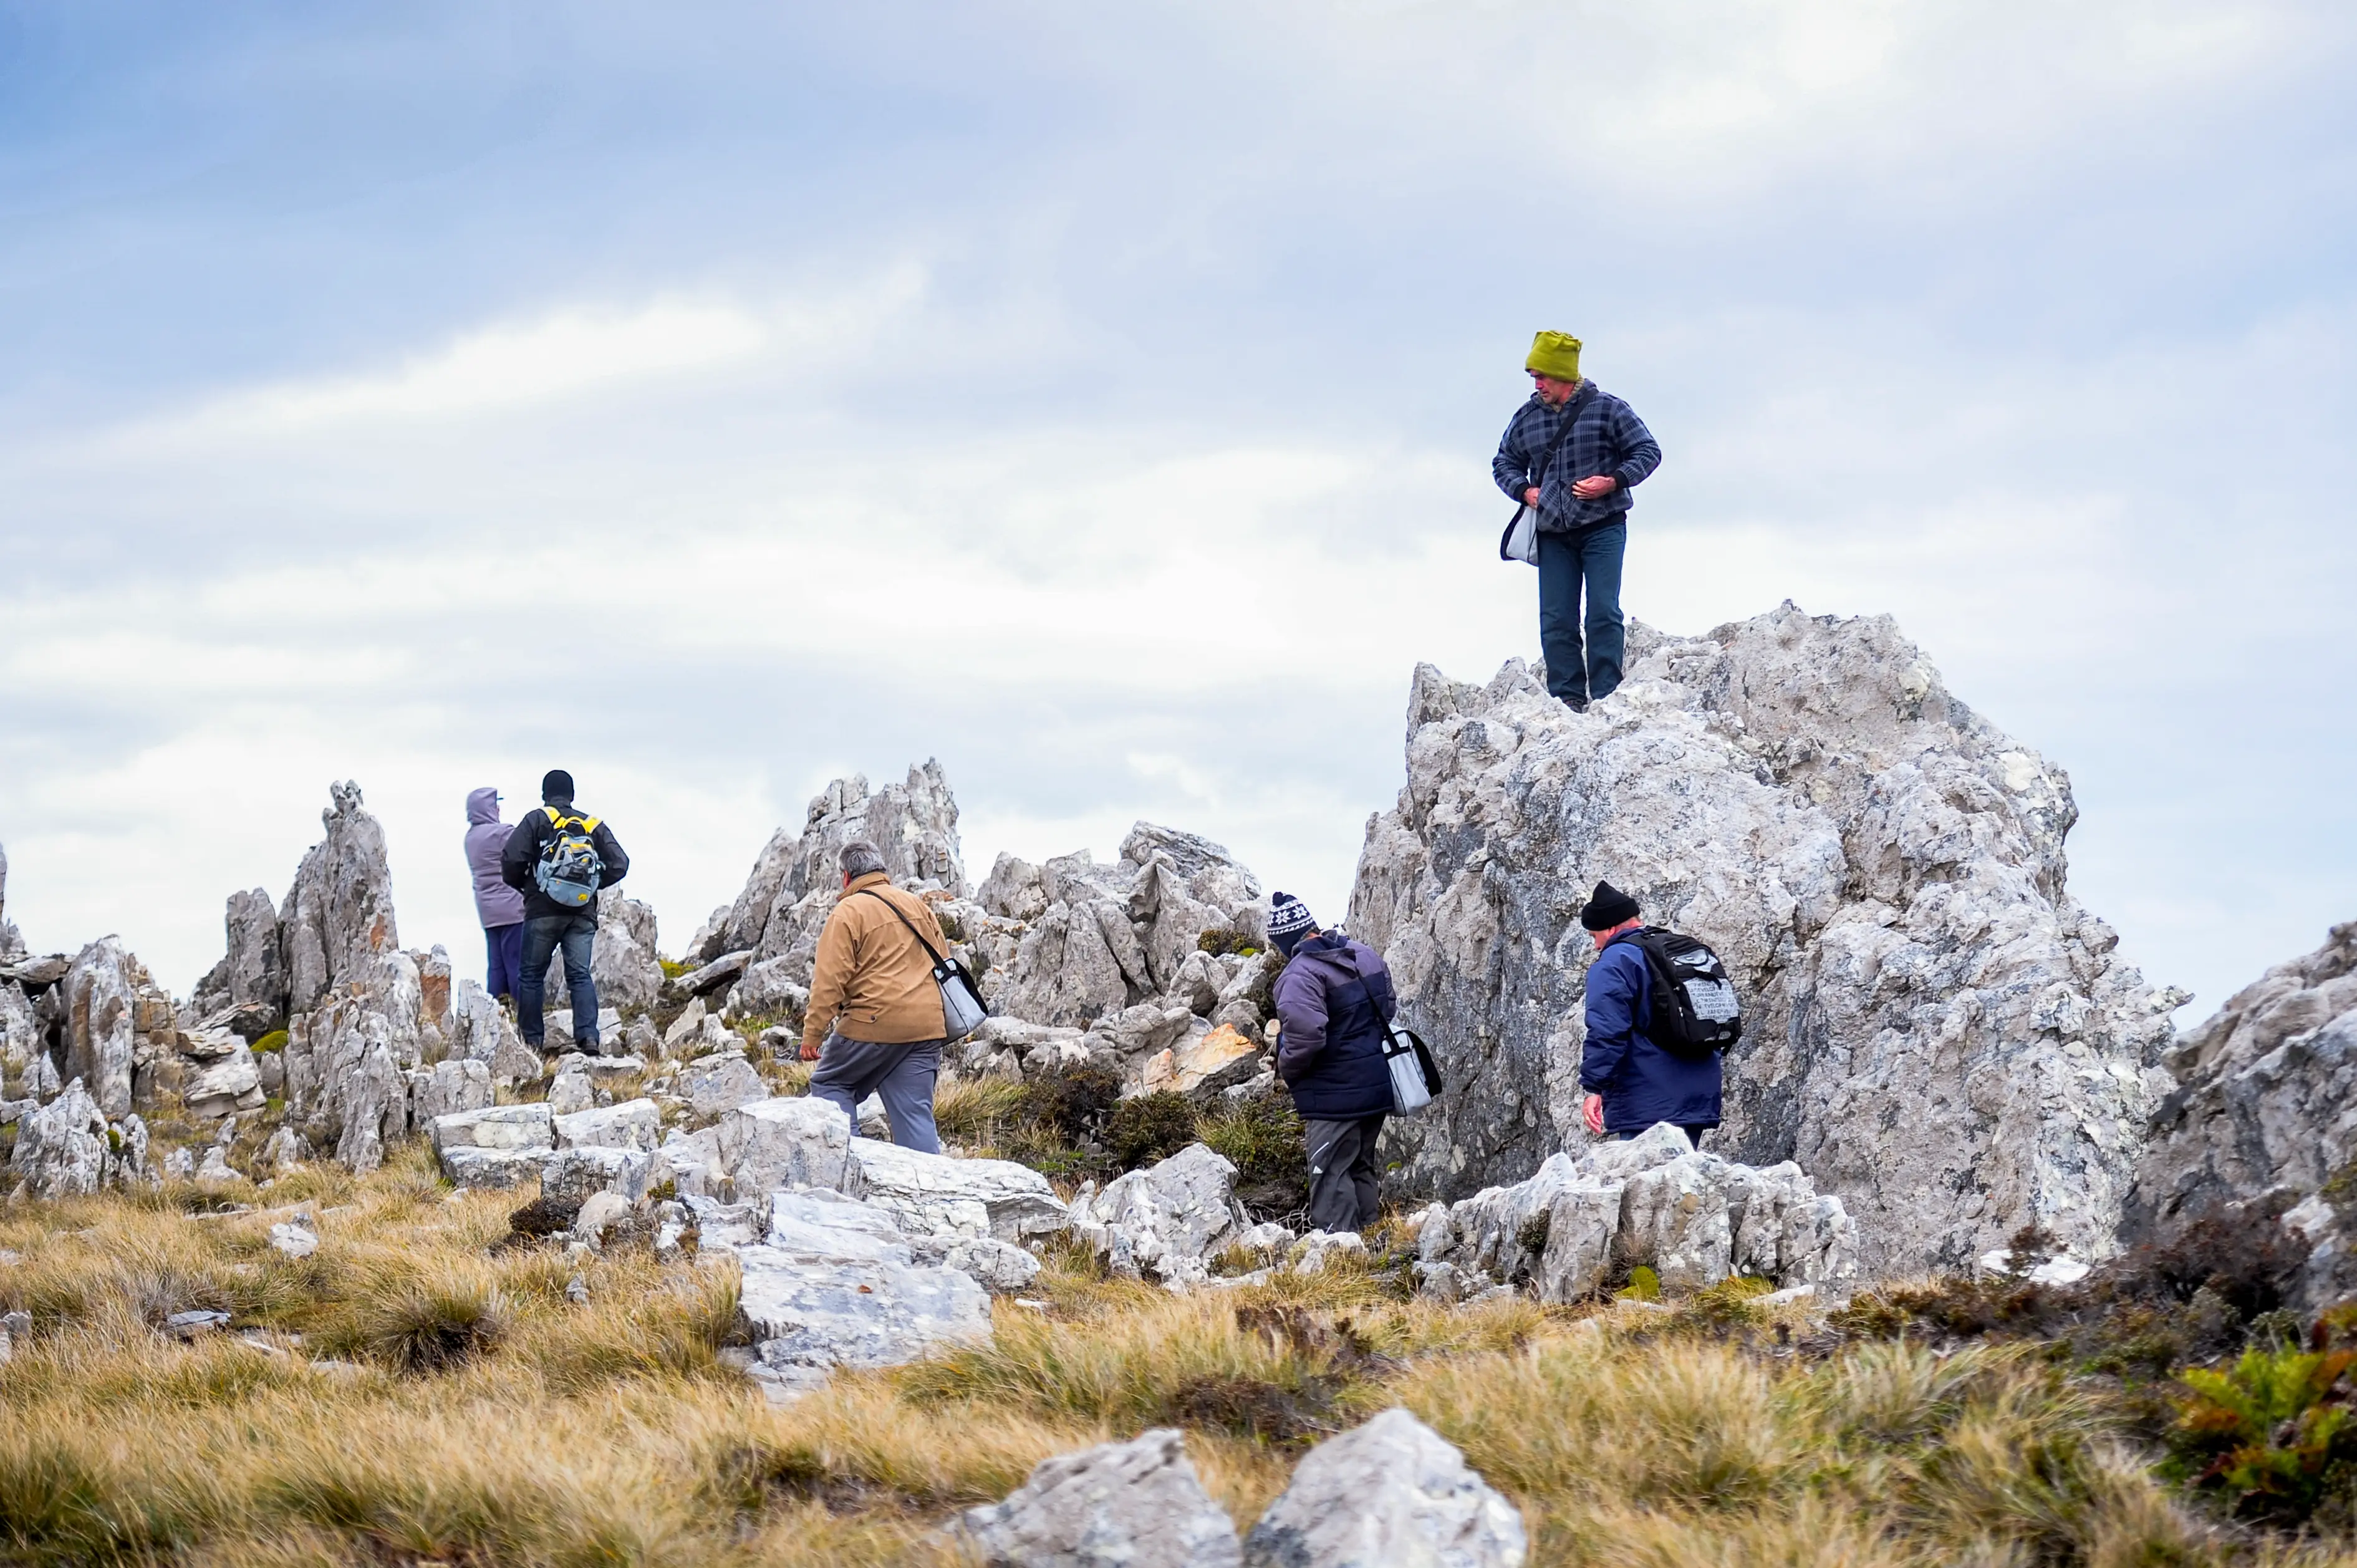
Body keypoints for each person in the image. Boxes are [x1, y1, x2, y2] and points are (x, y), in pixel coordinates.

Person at [1492, 331, 1663, 712]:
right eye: (1533, 378)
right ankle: (1567, 697)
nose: (1537, 385)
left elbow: (1648, 451)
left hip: (1603, 526)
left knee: (1603, 611)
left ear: (1564, 374)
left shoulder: (1608, 409)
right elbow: (1503, 462)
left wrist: (1613, 481)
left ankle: (1606, 695)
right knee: (1556, 619)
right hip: (1552, 533)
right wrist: (1525, 491)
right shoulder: (1527, 417)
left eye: (1543, 377)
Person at [801, 839, 950, 1153]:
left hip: (871, 1025)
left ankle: (851, 1168)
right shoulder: (917, 906)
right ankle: (930, 1196)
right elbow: (944, 963)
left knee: (831, 1084)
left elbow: (829, 982)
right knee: (914, 1115)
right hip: (926, 1028)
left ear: (846, 877)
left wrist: (812, 1035)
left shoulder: (848, 912)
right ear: (881, 869)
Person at [1267, 892, 1399, 1234]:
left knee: (1329, 1174)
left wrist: (1288, 1068)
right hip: (1376, 1086)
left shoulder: (1299, 975)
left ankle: (1340, 1258)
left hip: (1333, 1097)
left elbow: (1307, 1036)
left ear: (1285, 942)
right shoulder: (1364, 955)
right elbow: (1389, 1007)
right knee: (1360, 1167)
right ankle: (1371, 1246)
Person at [1576, 879, 1720, 1146]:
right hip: (1699, 1095)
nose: (1596, 946)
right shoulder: (1681, 950)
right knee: (1683, 1183)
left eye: (1594, 936)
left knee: (1647, 1184)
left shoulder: (1614, 963)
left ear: (1610, 927)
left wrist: (1594, 1087)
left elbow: (1607, 1031)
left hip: (1648, 1103)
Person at [499, 769, 630, 1051]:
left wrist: (527, 886)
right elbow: (620, 863)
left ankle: (532, 1043)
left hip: (542, 911)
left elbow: (510, 860)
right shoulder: (593, 824)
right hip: (582, 914)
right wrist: (592, 884)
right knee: (580, 975)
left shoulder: (537, 819)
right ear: (572, 795)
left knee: (532, 976)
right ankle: (589, 1038)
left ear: (545, 794)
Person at [463, 787, 526, 1005]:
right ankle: (522, 1014)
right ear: (487, 809)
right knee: (516, 964)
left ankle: (496, 1012)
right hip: (512, 909)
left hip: (488, 912)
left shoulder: (470, 838)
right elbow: (528, 844)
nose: (498, 809)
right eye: (494, 805)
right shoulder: (501, 833)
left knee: (496, 965)